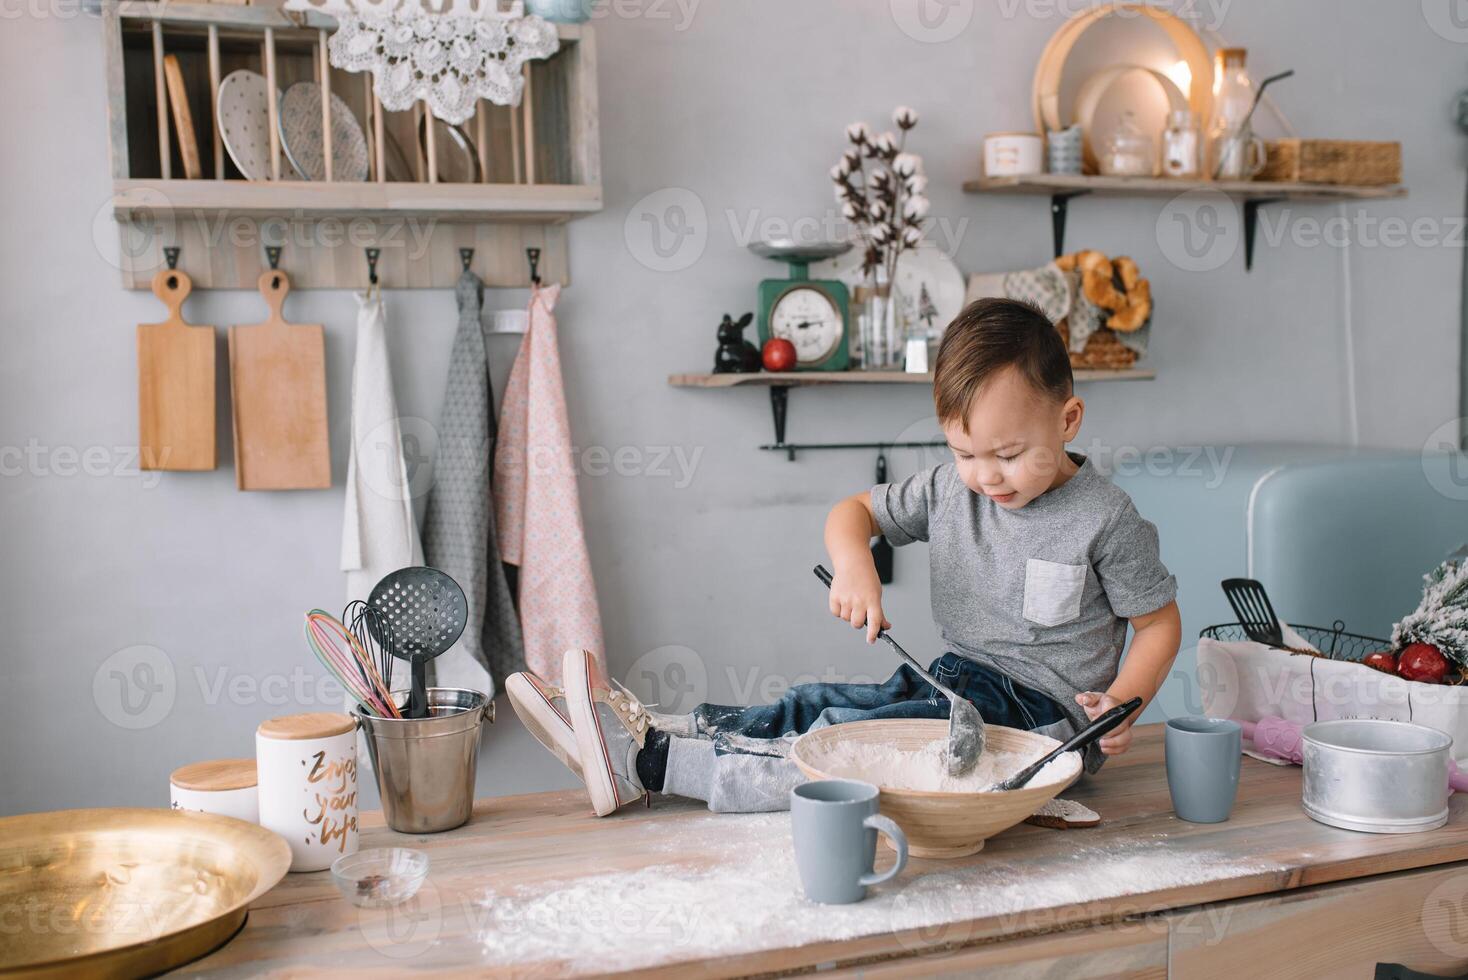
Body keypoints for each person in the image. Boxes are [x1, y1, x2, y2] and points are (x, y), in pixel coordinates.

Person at [508, 298, 1182, 815]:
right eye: (965, 453)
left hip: (1036, 726)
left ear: (1067, 421)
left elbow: (1159, 625)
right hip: (952, 682)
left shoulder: (1105, 519)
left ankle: (651, 767)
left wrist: (1124, 701)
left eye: (1008, 455)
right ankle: (648, 729)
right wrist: (856, 564)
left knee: (848, 746)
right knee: (815, 704)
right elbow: (850, 513)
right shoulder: (954, 489)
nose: (987, 477)